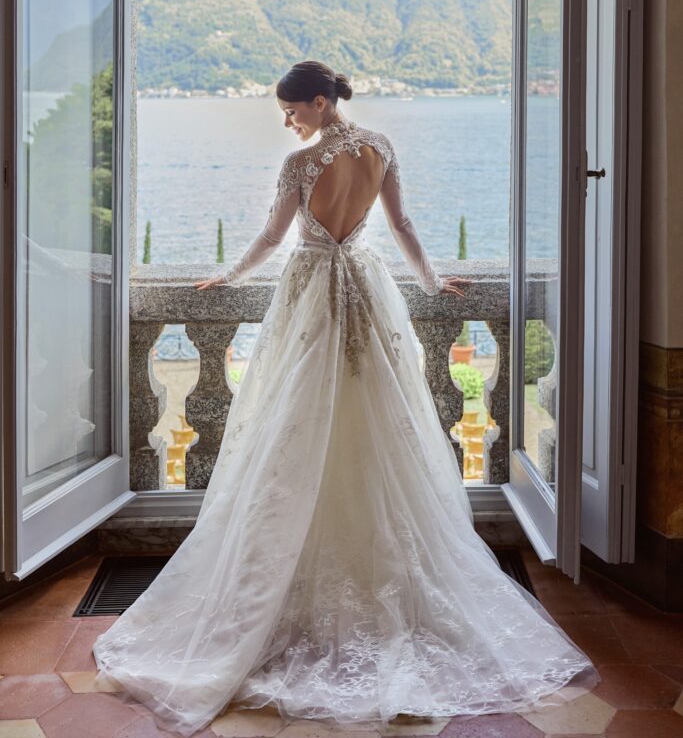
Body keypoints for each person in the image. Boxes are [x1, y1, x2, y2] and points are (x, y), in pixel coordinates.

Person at [92, 60, 599, 737]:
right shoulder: (381, 148)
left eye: (293, 110)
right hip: (364, 287)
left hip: (310, 295)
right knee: (375, 421)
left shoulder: (301, 164)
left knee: (293, 424)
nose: (287, 121)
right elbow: (403, 225)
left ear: (322, 102)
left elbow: (274, 239)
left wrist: (227, 274)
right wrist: (429, 278)